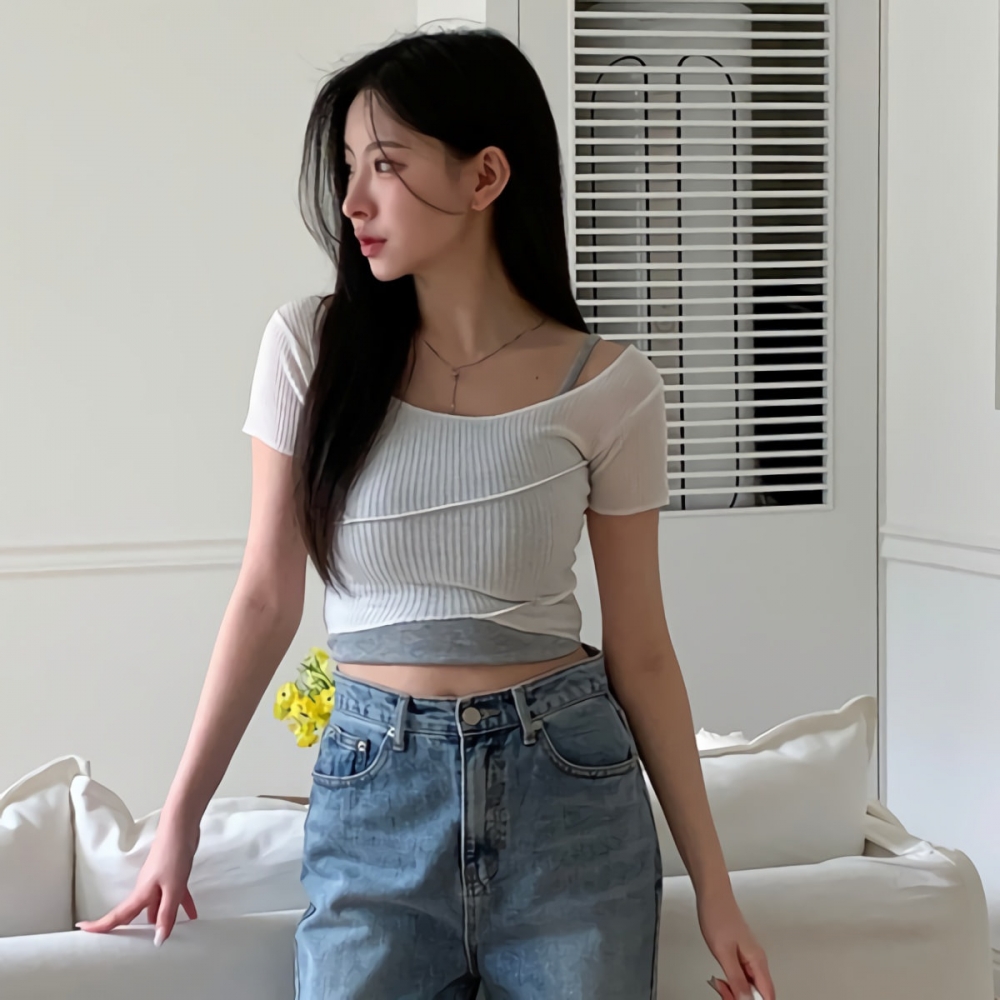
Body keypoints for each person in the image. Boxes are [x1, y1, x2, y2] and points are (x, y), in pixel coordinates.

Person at [76, 26, 775, 1000]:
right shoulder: (309, 349)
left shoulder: (613, 389)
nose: (353, 200)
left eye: (387, 165)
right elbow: (266, 597)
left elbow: (644, 651)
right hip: (375, 796)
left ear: (485, 175)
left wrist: (715, 891)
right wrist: (179, 819)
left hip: (567, 797)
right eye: (348, 167)